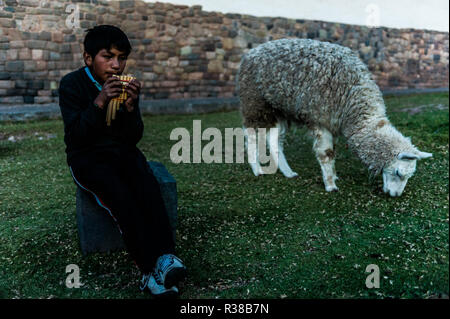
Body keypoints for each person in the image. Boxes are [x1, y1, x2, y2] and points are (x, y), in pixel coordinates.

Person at [58, 25, 186, 298]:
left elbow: (132, 138)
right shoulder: (71, 84)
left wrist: (129, 109)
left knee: (149, 190)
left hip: (121, 153)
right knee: (122, 199)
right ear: (88, 58)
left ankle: (167, 259)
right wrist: (100, 101)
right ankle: (149, 271)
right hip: (86, 159)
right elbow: (76, 137)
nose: (116, 65)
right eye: (108, 56)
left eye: (122, 57)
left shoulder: (125, 84)